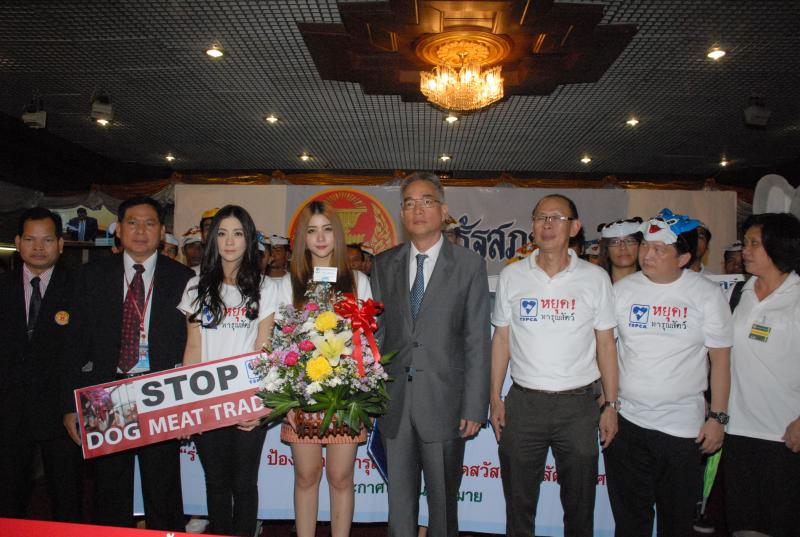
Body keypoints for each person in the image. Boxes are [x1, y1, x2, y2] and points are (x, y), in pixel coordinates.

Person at [490, 194, 619, 537]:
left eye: (556, 218)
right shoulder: (512, 276)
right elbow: (501, 340)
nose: (547, 225)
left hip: (578, 406)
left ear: (574, 227)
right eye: (540, 217)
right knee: (518, 504)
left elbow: (606, 344)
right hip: (524, 403)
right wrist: (495, 398)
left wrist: (611, 404)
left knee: (579, 506)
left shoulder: (595, 278)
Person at [62, 196, 193, 530]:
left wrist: (188, 404)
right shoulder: (92, 275)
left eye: (150, 223)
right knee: (109, 490)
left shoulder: (183, 278)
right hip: (107, 392)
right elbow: (74, 343)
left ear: (161, 232)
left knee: (163, 488)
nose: (140, 230)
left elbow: (192, 344)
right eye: (132, 223)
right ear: (118, 229)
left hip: (160, 391)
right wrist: (70, 405)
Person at [371, 172, 491, 537]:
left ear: (443, 210)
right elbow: (377, 335)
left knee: (443, 506)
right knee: (399, 506)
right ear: (401, 213)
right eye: (409, 203)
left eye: (426, 202)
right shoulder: (384, 264)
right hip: (395, 404)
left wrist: (475, 406)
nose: (417, 210)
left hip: (445, 404)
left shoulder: (468, 265)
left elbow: (476, 340)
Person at [604, 209, 732, 537]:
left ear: (683, 258)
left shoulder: (706, 294)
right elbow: (606, 352)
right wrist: (608, 406)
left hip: (682, 429)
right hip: (627, 425)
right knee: (630, 520)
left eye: (660, 249)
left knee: (676, 522)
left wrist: (717, 417)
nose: (647, 254)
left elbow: (720, 360)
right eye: (646, 246)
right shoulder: (623, 290)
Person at [274, 201, 371, 537]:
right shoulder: (287, 283)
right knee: (306, 476)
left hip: (344, 395)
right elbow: (279, 345)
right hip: (302, 393)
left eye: (327, 229)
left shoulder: (357, 280)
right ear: (302, 237)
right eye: (312, 231)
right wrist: (286, 397)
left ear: (337, 235)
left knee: (341, 478)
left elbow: (365, 340)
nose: (320, 238)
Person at [179, 205, 277, 537]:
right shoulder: (195, 286)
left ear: (248, 240)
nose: (230, 241)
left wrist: (260, 405)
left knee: (245, 482)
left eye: (237, 234)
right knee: (216, 482)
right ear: (213, 240)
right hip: (207, 400)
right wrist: (188, 405)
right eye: (222, 234)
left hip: (247, 400)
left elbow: (264, 348)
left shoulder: (265, 287)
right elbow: (193, 348)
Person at [0, 208, 83, 522]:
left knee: (67, 497)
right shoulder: (3, 286)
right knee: (9, 497)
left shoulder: (79, 287)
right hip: (9, 411)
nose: (38, 247)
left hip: (61, 411)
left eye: (47, 240)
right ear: (18, 242)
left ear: (60, 244)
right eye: (30, 239)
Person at [723, 212, 800, 537]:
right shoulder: (740, 292)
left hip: (783, 434)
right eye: (746, 243)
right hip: (737, 429)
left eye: (755, 243)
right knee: (744, 525)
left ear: (779, 246)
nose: (746, 251)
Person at [597, 217, 642, 284]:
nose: (623, 247)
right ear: (606, 250)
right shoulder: (596, 284)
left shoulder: (652, 284)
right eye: (615, 242)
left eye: (630, 241)